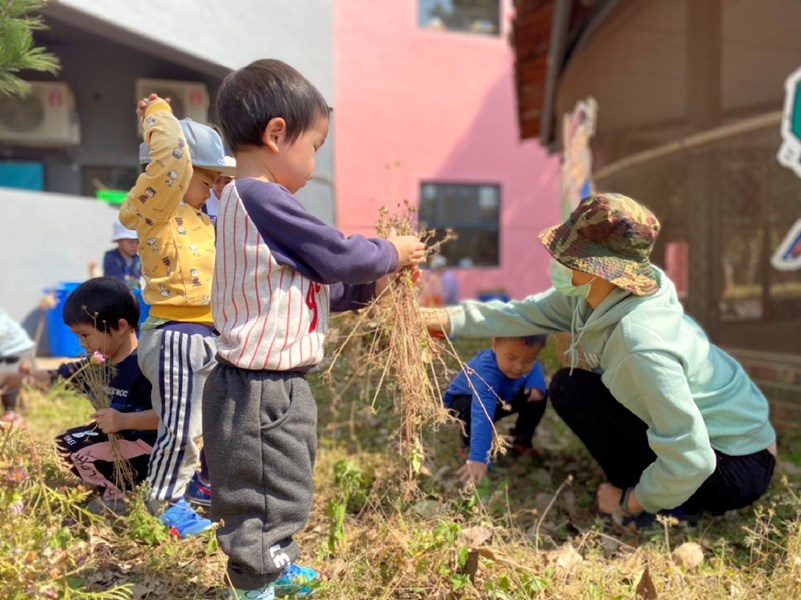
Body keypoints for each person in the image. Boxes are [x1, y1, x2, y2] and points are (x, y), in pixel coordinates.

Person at [203, 58, 426, 600]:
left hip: (278, 383)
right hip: (256, 387)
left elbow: (316, 283)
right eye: (315, 147)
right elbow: (338, 255)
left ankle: (275, 563)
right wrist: (390, 251)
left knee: (286, 482)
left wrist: (375, 287)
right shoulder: (261, 197)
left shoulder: (256, 206)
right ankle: (254, 583)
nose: (314, 161)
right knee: (259, 492)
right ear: (277, 134)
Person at [426, 193, 776, 524]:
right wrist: (445, 320)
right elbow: (522, 315)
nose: (560, 262)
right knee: (571, 386)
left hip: (736, 462)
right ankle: (654, 486)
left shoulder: (642, 345)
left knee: (584, 397)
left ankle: (661, 504)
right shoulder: (595, 297)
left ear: (598, 268)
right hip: (718, 440)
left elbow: (694, 458)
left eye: (570, 256)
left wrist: (630, 501)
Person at [119, 93, 235, 537]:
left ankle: (190, 490)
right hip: (176, 335)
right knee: (181, 424)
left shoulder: (201, 218)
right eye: (206, 181)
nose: (211, 190)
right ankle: (163, 502)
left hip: (205, 334)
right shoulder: (158, 211)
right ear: (181, 173)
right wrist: (157, 113)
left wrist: (220, 188)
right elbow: (173, 157)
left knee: (202, 425)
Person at [0, 278, 156, 514]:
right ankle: (110, 482)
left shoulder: (146, 365)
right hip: (114, 438)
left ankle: (120, 498)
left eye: (86, 335)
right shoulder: (95, 366)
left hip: (148, 446)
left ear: (121, 326)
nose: (82, 343)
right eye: (78, 336)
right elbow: (57, 376)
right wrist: (11, 377)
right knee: (66, 442)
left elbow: (169, 417)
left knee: (82, 454)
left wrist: (124, 421)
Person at [444, 335, 548, 484]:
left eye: (528, 360)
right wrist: (480, 457)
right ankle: (468, 446)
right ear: (495, 344)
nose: (519, 367)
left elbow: (535, 365)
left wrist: (536, 381)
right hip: (466, 402)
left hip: (501, 399)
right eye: (511, 358)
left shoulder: (523, 360)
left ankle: (521, 439)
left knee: (539, 394)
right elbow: (482, 413)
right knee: (470, 411)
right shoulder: (486, 370)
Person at [0, 308, 35, 426]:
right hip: (7, 351)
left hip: (17, 352)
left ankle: (14, 413)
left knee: (10, 381)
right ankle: (11, 411)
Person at [103, 220, 143, 290]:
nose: (135, 245)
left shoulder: (140, 258)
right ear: (119, 241)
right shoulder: (111, 257)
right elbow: (115, 280)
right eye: (131, 242)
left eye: (137, 242)